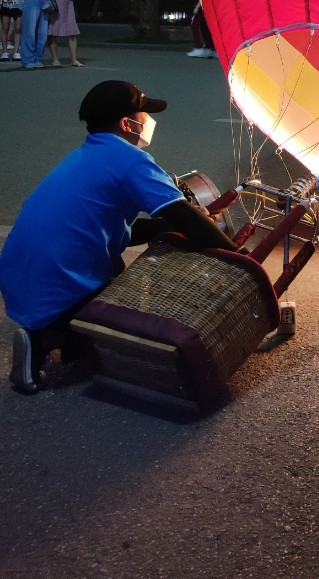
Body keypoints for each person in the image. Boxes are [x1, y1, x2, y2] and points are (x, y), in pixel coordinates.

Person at [0, 79, 241, 394]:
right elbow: (186, 217)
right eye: (144, 116)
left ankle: (65, 329)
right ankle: (48, 337)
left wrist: (168, 226)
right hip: (55, 283)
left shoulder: (87, 155)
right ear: (128, 124)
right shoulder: (131, 161)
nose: (149, 122)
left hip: (20, 280)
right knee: (132, 330)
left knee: (113, 266)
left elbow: (114, 231)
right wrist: (240, 258)